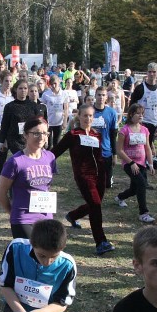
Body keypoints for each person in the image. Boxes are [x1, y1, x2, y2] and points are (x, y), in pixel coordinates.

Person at [53, 103, 114, 255]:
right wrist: (38, 160)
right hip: (84, 175)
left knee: (95, 204)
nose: (88, 118)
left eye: (90, 116)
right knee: (95, 204)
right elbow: (55, 152)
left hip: (100, 175)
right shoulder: (73, 135)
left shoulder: (96, 134)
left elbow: (100, 155)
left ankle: (73, 215)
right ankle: (101, 242)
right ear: (79, 116)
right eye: (85, 115)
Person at [0, 117, 56, 239]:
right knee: (30, 253)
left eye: (44, 133)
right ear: (25, 135)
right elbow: (0, 193)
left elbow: (46, 187)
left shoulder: (50, 157)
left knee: (46, 255)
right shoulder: (15, 161)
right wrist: (12, 212)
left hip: (46, 217)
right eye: (36, 133)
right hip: (24, 219)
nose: (41, 137)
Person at [115, 104, 156, 223]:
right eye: (138, 113)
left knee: (134, 189)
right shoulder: (124, 131)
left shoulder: (145, 130)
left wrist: (151, 164)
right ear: (131, 114)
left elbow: (147, 147)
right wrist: (131, 162)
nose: (141, 116)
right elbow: (119, 150)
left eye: (142, 114)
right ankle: (144, 213)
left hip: (142, 163)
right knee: (142, 184)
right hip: (129, 163)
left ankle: (120, 197)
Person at [128, 62, 157, 156]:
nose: (152, 74)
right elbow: (132, 106)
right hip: (141, 122)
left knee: (148, 145)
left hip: (153, 122)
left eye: (154, 72)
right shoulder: (140, 88)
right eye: (150, 72)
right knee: (139, 146)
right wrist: (130, 122)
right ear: (147, 73)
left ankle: (148, 163)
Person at [90, 86, 118, 188]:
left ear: (106, 97)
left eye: (103, 95)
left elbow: (113, 134)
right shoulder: (89, 111)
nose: (101, 97)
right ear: (95, 96)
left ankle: (108, 179)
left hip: (106, 150)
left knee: (107, 185)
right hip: (91, 149)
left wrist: (114, 154)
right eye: (99, 95)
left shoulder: (112, 113)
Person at [41, 75, 68, 150]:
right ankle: (46, 159)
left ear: (59, 83)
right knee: (48, 145)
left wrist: (65, 121)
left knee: (56, 143)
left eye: (55, 83)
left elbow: (66, 108)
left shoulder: (64, 94)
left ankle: (54, 160)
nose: (53, 85)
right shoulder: (46, 94)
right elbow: (42, 108)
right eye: (51, 84)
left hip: (59, 122)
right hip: (48, 121)